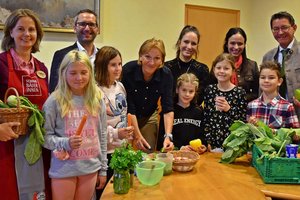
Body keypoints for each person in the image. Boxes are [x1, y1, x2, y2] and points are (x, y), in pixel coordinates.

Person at [0, 9, 51, 200]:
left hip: (36, 142)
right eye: (20, 29)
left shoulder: (41, 68)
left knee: (38, 193)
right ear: (10, 32)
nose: (27, 34)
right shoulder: (1, 63)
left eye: (31, 29)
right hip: (7, 142)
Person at [43, 50, 107, 200]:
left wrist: (103, 169)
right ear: (64, 73)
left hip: (90, 167)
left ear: (90, 73)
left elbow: (102, 135)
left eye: (84, 72)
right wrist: (66, 142)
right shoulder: (54, 101)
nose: (79, 78)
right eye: (73, 73)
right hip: (64, 169)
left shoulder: (97, 99)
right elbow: (44, 137)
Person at [94, 46, 133, 198]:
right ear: (103, 66)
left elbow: (123, 114)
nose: (118, 69)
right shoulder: (95, 90)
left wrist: (128, 134)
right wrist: (116, 133)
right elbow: (96, 127)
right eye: (113, 65)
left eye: (120, 64)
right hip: (105, 152)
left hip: (121, 149)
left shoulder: (120, 86)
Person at [122, 38, 174, 152]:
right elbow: (130, 109)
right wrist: (138, 136)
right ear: (140, 57)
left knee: (148, 151)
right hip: (128, 117)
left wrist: (168, 136)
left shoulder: (166, 74)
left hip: (149, 116)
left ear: (162, 61)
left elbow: (168, 108)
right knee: (125, 152)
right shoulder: (128, 71)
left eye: (157, 58)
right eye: (147, 57)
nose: (152, 62)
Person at [203, 53, 247, 152]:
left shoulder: (239, 92)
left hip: (232, 144)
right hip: (213, 143)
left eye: (226, 68)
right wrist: (208, 141)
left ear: (233, 71)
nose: (222, 71)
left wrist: (229, 109)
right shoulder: (210, 90)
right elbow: (206, 118)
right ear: (214, 69)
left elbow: (242, 122)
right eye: (219, 68)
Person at [49, 9, 100, 92]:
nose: (87, 28)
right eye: (82, 24)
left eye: (91, 24)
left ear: (97, 29)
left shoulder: (104, 56)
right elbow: (54, 89)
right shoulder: (61, 55)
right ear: (75, 28)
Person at [262, 11, 300, 119]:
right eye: (275, 29)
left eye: (284, 27)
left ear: (294, 28)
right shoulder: (268, 57)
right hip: (275, 117)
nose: (280, 32)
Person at [157, 73, 206, 152]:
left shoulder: (199, 112)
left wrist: (203, 146)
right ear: (177, 89)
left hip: (194, 155)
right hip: (174, 155)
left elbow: (202, 137)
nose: (187, 94)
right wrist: (179, 148)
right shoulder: (168, 112)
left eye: (191, 91)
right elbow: (161, 140)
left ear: (195, 92)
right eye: (184, 90)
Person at [211, 27, 259, 102]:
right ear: (227, 44)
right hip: (220, 108)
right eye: (232, 43)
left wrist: (237, 99)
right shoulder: (218, 65)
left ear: (244, 45)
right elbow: (211, 89)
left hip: (245, 109)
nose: (236, 47)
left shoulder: (252, 66)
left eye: (240, 44)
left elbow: (257, 93)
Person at [247, 61, 300, 131]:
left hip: (278, 141)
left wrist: (275, 132)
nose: (266, 80)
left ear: (279, 82)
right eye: (262, 77)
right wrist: (250, 126)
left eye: (271, 78)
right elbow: (247, 132)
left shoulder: (287, 106)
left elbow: (296, 132)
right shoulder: (251, 105)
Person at [165, 25, 210, 106]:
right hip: (170, 113)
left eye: (193, 43)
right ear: (179, 43)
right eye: (186, 42)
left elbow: (200, 98)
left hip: (193, 116)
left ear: (197, 46)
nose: (189, 46)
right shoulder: (166, 68)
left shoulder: (203, 70)